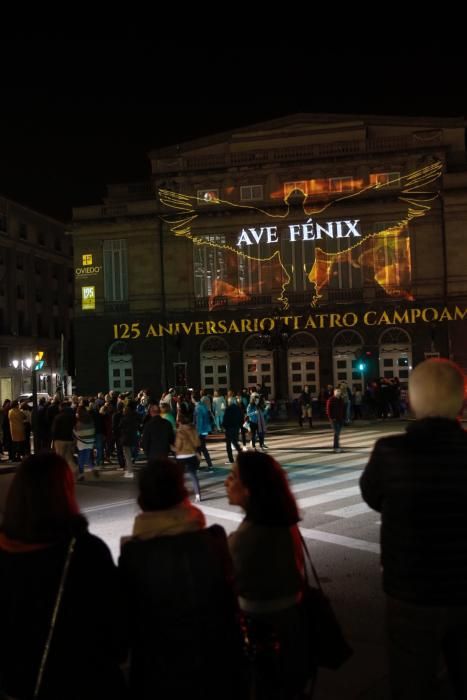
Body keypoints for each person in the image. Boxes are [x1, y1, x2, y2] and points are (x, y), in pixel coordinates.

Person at [360, 359, 467, 700]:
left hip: (410, 588)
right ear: (462, 401)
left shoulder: (390, 451)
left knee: (411, 680)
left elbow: (373, 496)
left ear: (411, 400)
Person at [0, 453, 127, 699]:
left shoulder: (5, 553)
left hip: (22, 682)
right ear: (64, 493)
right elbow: (116, 628)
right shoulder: (85, 552)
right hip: (87, 679)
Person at [119, 458, 246, 700]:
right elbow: (231, 600)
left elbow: (126, 624)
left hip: (160, 674)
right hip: (219, 666)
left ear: (142, 500)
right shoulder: (214, 539)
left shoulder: (134, 554)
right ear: (183, 491)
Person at [225, 451, 308, 699]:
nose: (227, 482)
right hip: (293, 624)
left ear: (250, 488)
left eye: (233, 476)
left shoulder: (246, 538)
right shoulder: (282, 521)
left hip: (262, 633)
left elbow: (231, 585)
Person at [173, 412, 202, 502]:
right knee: (193, 475)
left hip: (181, 457)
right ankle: (198, 495)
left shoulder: (180, 432)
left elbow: (178, 447)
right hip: (192, 455)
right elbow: (197, 443)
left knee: (179, 477)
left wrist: (172, 447)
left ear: (180, 422)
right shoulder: (193, 429)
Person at [326, 388, 345, 453]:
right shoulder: (331, 400)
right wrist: (331, 418)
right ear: (334, 392)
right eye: (337, 391)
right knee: (336, 433)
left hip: (340, 419)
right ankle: (336, 447)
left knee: (337, 434)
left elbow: (343, 409)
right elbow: (328, 410)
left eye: (339, 391)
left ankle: (336, 446)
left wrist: (344, 417)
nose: (338, 392)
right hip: (334, 419)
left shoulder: (341, 400)